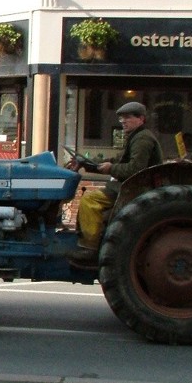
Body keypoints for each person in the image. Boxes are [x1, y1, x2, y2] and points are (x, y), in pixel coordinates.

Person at [67, 101, 163, 267]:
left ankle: (90, 249)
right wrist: (86, 164)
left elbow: (136, 169)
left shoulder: (143, 139)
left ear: (141, 119)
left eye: (128, 117)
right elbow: (116, 161)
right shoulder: (135, 137)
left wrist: (111, 169)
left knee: (90, 201)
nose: (123, 121)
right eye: (121, 119)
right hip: (130, 186)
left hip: (136, 188)